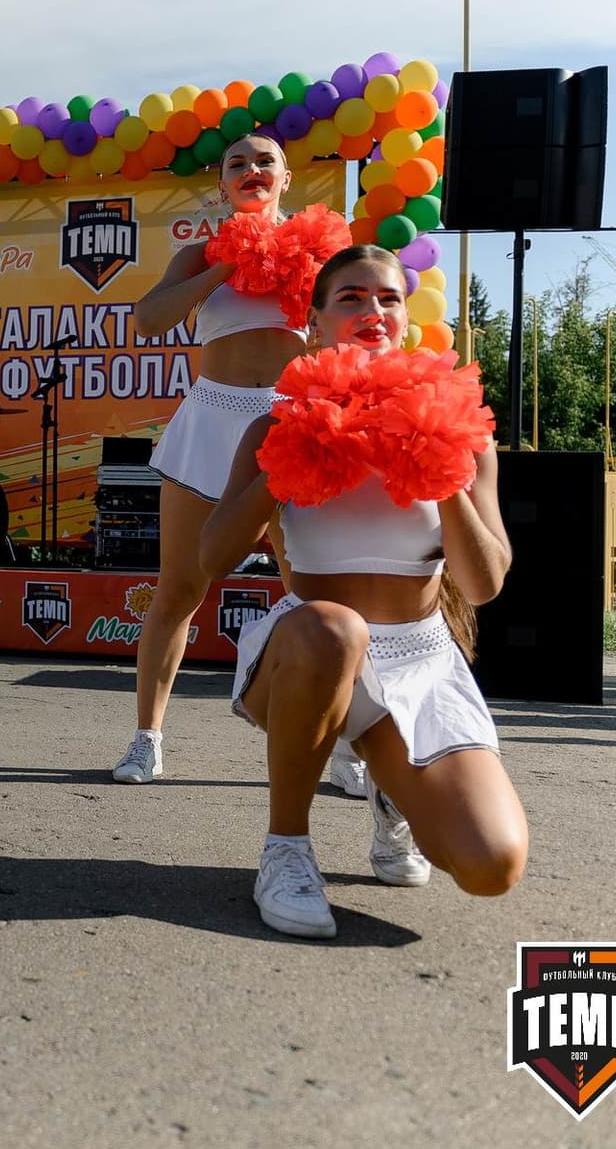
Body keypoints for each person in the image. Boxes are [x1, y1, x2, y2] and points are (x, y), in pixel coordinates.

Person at [198, 244, 526, 938]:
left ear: (406, 320)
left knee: (491, 865)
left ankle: (390, 795)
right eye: (351, 297)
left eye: (387, 299)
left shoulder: (466, 431)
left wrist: (442, 470)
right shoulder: (270, 422)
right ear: (314, 323)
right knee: (334, 629)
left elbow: (483, 583)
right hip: (308, 650)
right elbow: (212, 557)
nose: (372, 311)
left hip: (420, 659)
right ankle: (285, 849)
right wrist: (282, 464)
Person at [116, 133, 313, 786]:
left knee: (316, 596)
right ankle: (147, 738)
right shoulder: (198, 251)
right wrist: (227, 267)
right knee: (178, 589)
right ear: (222, 185)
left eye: (265, 163)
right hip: (213, 419)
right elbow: (147, 320)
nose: (252, 170)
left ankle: (341, 748)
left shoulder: (321, 251)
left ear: (285, 179)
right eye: (238, 164)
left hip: (291, 423)